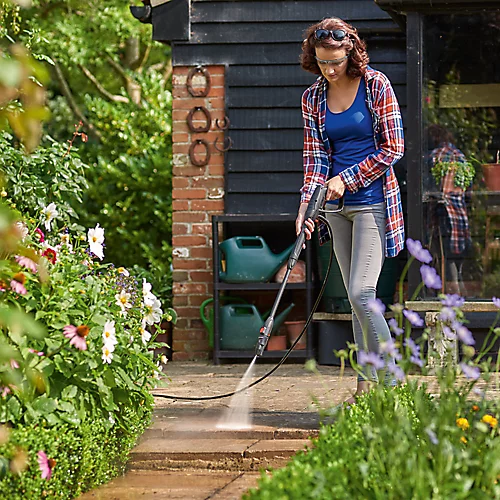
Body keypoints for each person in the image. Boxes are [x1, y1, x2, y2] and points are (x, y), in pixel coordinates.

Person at [296, 17, 405, 404]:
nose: (329, 69)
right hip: (335, 209)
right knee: (356, 300)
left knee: (361, 293)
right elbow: (316, 161)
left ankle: (393, 385)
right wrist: (306, 207)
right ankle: (364, 389)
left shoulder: (376, 85)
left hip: (373, 203)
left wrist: (348, 179)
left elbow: (394, 148)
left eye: (336, 61)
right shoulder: (312, 98)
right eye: (322, 61)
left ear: (351, 52)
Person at [427, 124, 472, 294]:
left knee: (444, 256)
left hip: (442, 210)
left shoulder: (435, 155)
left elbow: (429, 185)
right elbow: (469, 189)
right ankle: (460, 291)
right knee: (456, 256)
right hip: (459, 212)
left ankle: (453, 293)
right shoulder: (460, 156)